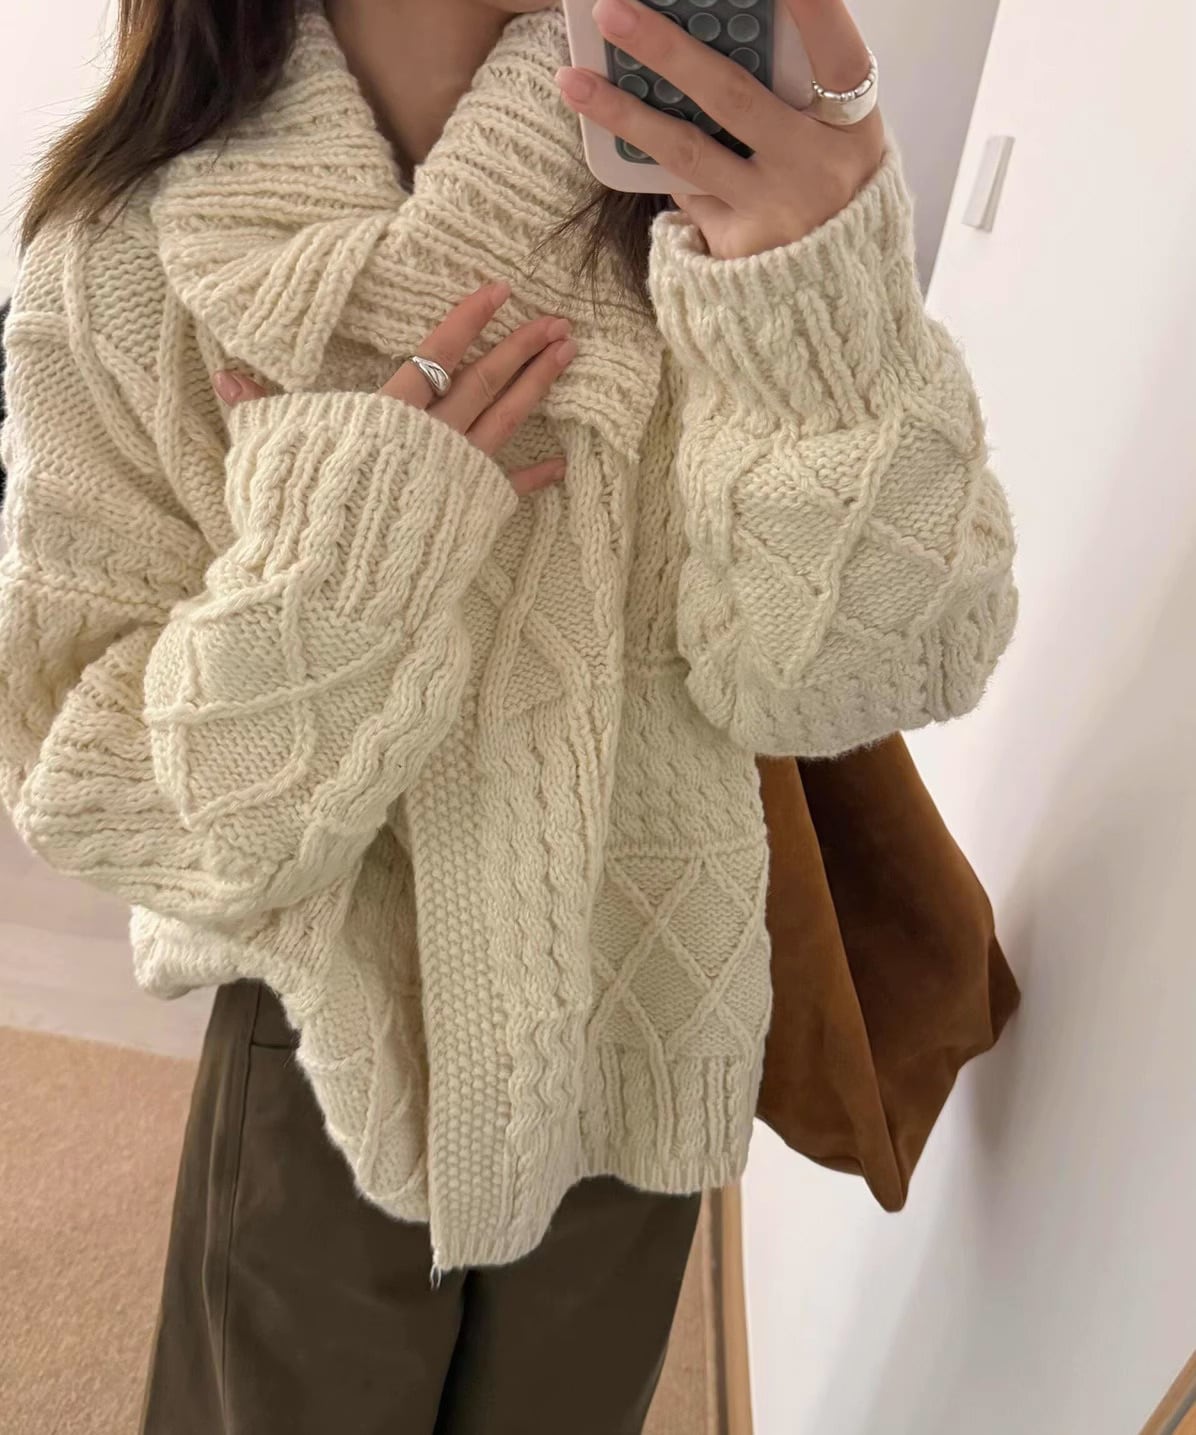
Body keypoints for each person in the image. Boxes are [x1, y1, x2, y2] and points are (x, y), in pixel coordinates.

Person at [0, 1, 1018, 1431]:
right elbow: (86, 779)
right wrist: (350, 563)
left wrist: (826, 307)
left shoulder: (715, 195)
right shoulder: (121, 251)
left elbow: (868, 677)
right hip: (325, 1042)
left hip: (644, 1025)